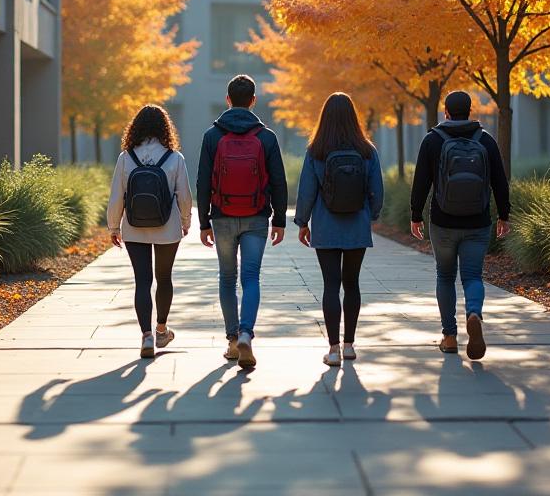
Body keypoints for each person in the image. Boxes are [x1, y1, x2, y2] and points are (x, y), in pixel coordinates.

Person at [408, 89, 511, 360]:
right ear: (470, 111)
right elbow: (500, 181)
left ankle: (450, 336)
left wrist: (416, 214)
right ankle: (474, 313)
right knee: (473, 276)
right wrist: (504, 215)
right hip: (477, 221)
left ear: (446, 112)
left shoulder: (432, 140)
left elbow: (421, 181)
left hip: (443, 222)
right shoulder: (485, 140)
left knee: (445, 276)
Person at [196, 74, 288, 369]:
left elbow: (202, 181)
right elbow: (279, 181)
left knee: (227, 278)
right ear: (253, 101)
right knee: (251, 277)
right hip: (256, 216)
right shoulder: (266, 137)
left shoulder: (212, 136)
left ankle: (233, 341)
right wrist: (280, 220)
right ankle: (247, 332)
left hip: (222, 216)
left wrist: (203, 222)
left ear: (227, 100)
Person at [294, 92, 385, 367]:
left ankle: (333, 350)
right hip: (357, 226)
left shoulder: (316, 151)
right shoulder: (367, 150)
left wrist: (302, 222)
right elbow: (377, 190)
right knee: (352, 284)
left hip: (326, 226)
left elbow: (306, 191)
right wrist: (372, 215)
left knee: (331, 285)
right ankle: (349, 346)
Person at [106, 104, 193, 358]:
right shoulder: (175, 158)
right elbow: (185, 196)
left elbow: (116, 196)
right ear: (166, 128)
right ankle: (162, 330)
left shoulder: (126, 157)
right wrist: (185, 221)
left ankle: (146, 336)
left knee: (142, 281)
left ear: (136, 128)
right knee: (164, 278)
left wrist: (114, 226)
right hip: (167, 227)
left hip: (134, 228)